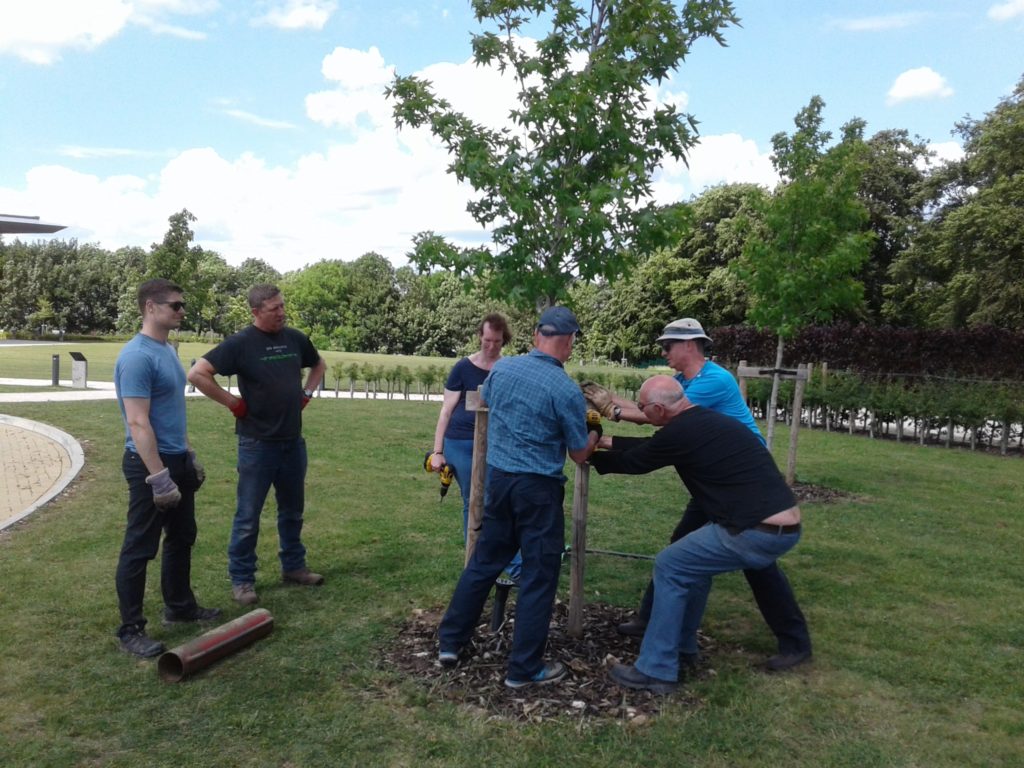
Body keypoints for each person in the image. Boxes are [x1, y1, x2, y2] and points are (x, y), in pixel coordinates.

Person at [584, 317, 812, 671]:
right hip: (739, 488)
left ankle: (660, 663)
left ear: (690, 344)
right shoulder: (680, 389)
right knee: (689, 553)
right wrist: (607, 434)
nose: (663, 352)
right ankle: (672, 637)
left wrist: (600, 431)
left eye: (668, 345)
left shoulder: (712, 381)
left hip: (738, 489)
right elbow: (659, 432)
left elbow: (651, 435)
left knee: (690, 562)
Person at [436, 306, 599, 688]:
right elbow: (578, 454)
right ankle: (524, 669)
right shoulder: (564, 389)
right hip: (538, 490)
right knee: (539, 576)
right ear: (570, 342)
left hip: (500, 482)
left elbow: (490, 400)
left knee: (484, 562)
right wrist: (592, 431)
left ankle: (450, 642)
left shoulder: (503, 370)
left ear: (536, 337)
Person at [187, 284, 327, 606]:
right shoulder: (240, 343)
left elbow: (318, 365)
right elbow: (198, 374)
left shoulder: (294, 338)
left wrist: (306, 394)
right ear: (255, 312)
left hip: (293, 442)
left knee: (292, 512)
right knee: (248, 516)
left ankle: (293, 567)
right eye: (273, 309)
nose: (281, 313)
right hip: (257, 444)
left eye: (282, 306)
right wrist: (232, 403)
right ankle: (242, 579)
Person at [113, 279, 220, 658]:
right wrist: (159, 477)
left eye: (182, 305)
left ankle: (179, 606)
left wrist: (187, 455)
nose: (181, 311)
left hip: (175, 458)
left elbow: (172, 412)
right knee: (140, 547)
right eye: (175, 305)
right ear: (150, 308)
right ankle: (130, 630)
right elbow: (138, 422)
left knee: (182, 535)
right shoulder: (136, 356)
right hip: (147, 463)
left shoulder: (166, 351)